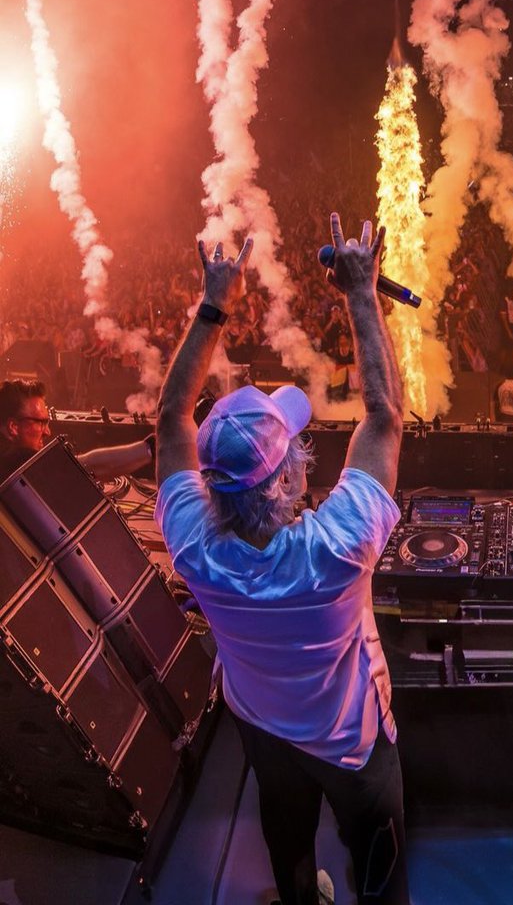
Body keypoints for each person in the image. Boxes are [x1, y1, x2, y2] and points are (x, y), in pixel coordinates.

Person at [154, 215, 408, 905]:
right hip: (353, 743)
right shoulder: (337, 545)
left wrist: (214, 305)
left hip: (262, 727)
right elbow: (384, 417)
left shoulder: (193, 544)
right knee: (380, 873)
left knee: (287, 841)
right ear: (292, 478)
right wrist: (361, 294)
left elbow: (172, 413)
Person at [0, 377, 154, 483]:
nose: (47, 432)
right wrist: (151, 448)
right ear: (13, 427)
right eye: (41, 423)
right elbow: (86, 467)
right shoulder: (14, 458)